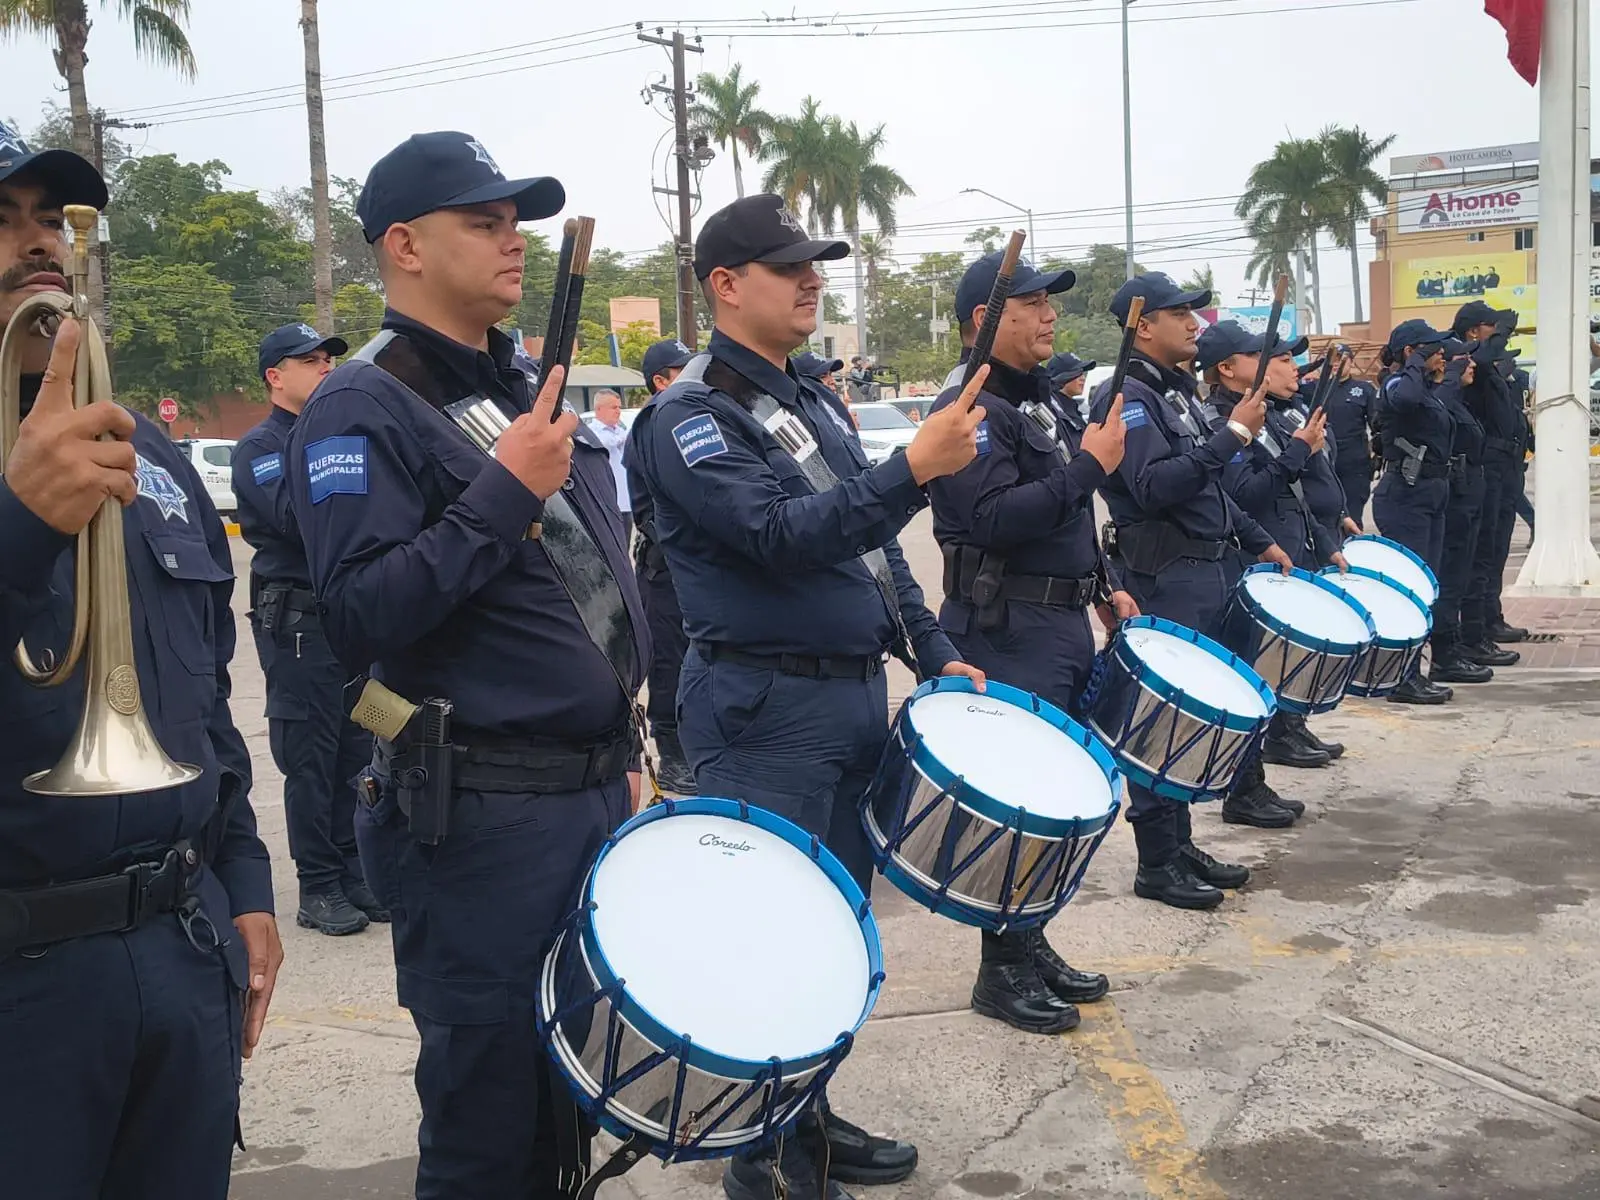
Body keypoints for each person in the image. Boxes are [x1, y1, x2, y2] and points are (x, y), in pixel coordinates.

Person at [284, 131, 648, 1199]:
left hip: (575, 791)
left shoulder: (504, 385)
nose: (512, 242)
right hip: (479, 818)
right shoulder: (363, 402)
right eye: (482, 223)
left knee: (561, 1098)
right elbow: (358, 610)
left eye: (516, 223)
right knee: (487, 1126)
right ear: (403, 245)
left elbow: (575, 587)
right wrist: (502, 492)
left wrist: (613, 746)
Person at [630, 193, 988, 1200]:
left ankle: (807, 1128)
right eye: (789, 267)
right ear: (726, 286)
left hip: (844, 702)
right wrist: (913, 467)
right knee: (767, 950)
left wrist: (932, 647)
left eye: (814, 265)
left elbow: (874, 551)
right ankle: (765, 1167)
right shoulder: (690, 416)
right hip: (762, 709)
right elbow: (780, 540)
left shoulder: (805, 397)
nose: (812, 279)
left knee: (830, 941)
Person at [0, 127, 280, 1195]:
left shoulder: (146, 452)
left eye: (48, 219)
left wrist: (244, 879)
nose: (35, 245)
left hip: (178, 942)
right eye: (0, 220)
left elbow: (201, 695)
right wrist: (17, 531)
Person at [926, 252, 1132, 1036]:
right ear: (985, 320)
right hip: (1004, 627)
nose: (1051, 316)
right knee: (1017, 805)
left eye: (1050, 303)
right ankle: (1000, 970)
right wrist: (1086, 470)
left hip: (1061, 624)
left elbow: (1071, 519)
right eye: (1033, 303)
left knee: (1054, 800)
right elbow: (994, 519)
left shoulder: (1040, 399)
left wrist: (1105, 581)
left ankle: (1028, 939)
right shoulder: (969, 406)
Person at [1088, 274, 1294, 909]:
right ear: (1142, 326)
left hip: (1204, 570)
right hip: (1163, 574)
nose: (1195, 323)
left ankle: (1178, 844)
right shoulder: (1127, 398)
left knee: (1193, 717)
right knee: (1162, 719)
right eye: (1180, 313)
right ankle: (1156, 858)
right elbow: (1152, 487)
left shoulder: (1172, 395)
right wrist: (1230, 436)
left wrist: (1258, 538)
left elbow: (1211, 494)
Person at [233, 322, 388, 937]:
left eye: (328, 358)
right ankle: (318, 883)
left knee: (360, 748)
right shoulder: (262, 448)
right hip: (297, 623)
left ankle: (353, 869)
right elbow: (300, 520)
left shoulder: (333, 438)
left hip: (346, 621)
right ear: (276, 376)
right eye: (310, 360)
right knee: (310, 755)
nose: (325, 367)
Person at [1197, 321, 1345, 779]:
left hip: (1287, 549)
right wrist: (1298, 451)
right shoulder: (1223, 423)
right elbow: (1246, 493)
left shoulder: (1270, 416)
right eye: (1277, 358)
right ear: (1227, 369)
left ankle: (1288, 726)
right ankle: (1256, 762)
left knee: (1281, 657)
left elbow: (1295, 495)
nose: (1289, 366)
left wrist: (1323, 542)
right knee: (1254, 663)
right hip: (1250, 560)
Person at [1371, 319, 1461, 705]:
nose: (1440, 353)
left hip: (1430, 492)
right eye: (1431, 348)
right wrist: (1414, 363)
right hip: (1405, 496)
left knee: (1427, 588)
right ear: (1410, 352)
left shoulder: (1425, 387)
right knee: (1409, 592)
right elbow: (1403, 400)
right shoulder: (1397, 384)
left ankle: (1413, 671)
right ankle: (1401, 677)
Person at [627, 337, 699, 793]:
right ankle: (671, 756)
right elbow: (649, 514)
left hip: (692, 573)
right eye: (683, 370)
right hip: (664, 573)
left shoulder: (689, 421)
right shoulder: (651, 426)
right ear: (661, 380)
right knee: (670, 665)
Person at [1452, 301, 1529, 654]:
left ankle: (1490, 617)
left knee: (1497, 548)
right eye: (1490, 327)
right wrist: (1499, 335)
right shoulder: (1469, 362)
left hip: (1507, 465)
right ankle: (1476, 630)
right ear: (1473, 331)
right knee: (1482, 551)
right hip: (1488, 465)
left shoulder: (1491, 368)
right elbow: (1482, 358)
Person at [587, 388, 632, 536]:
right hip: (607, 502)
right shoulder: (591, 432)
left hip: (626, 500)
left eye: (619, 407)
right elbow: (604, 443)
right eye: (614, 407)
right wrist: (624, 438)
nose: (618, 411)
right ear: (599, 409)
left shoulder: (621, 431)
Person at [1047, 350, 1096, 422]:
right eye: (1076, 373)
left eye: (1082, 373)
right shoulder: (1053, 413)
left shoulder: (1073, 408)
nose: (1083, 378)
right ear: (1061, 377)